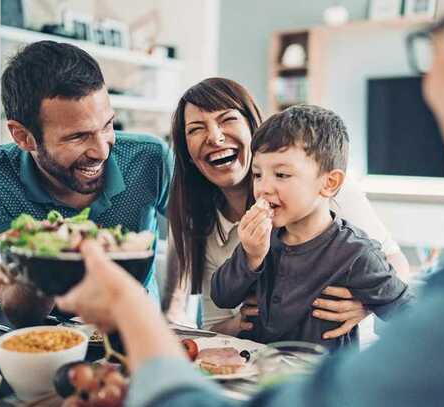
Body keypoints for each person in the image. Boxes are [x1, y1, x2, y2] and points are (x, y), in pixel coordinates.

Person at [57, 0, 444, 405]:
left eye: (430, 40)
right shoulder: (259, 232)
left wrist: (128, 310)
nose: (428, 84)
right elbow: (221, 303)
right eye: (195, 130)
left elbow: (394, 293)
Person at [164, 77, 410, 341]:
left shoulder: (341, 221)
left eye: (227, 119)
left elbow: (399, 291)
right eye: (258, 175)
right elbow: (220, 303)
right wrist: (249, 258)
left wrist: (367, 304)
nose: (215, 136)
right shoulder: (259, 238)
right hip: (263, 366)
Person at [0, 40, 173, 327]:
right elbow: (18, 311)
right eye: (77, 137)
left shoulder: (150, 158)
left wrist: (177, 306)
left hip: (138, 333)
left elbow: (196, 233)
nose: (102, 150)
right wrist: (50, 249)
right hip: (48, 341)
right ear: (23, 136)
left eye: (108, 125)